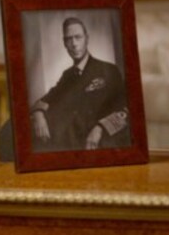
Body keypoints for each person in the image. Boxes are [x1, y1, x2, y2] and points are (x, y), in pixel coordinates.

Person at [30, 17, 131, 152]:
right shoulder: (67, 75)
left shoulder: (109, 70)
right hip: (70, 146)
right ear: (64, 43)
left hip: (102, 144)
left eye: (78, 37)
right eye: (69, 39)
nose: (74, 44)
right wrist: (38, 115)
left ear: (87, 38)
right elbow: (45, 100)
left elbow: (125, 109)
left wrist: (100, 128)